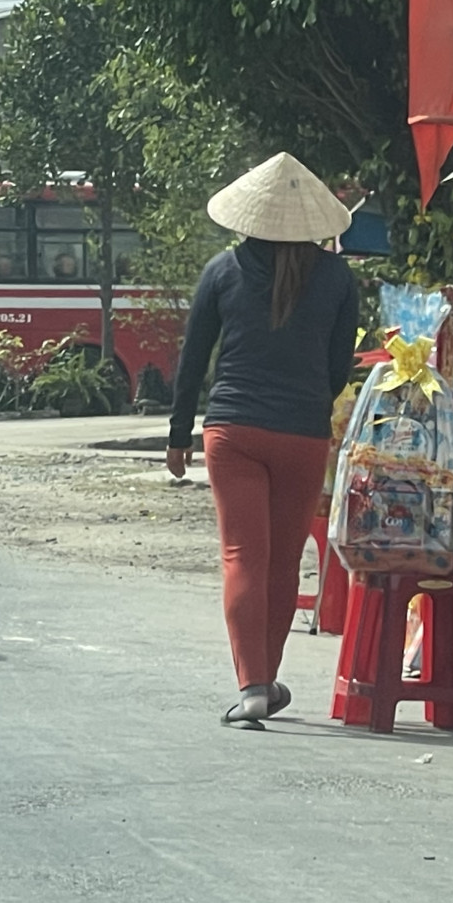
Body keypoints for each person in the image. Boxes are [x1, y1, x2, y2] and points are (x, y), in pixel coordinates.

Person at [168, 153, 358, 728]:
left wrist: (178, 438)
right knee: (282, 563)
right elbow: (337, 367)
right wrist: (307, 408)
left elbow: (193, 360)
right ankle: (265, 679)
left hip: (234, 431)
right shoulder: (337, 278)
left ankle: (253, 686)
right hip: (302, 435)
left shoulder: (222, 271)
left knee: (242, 557)